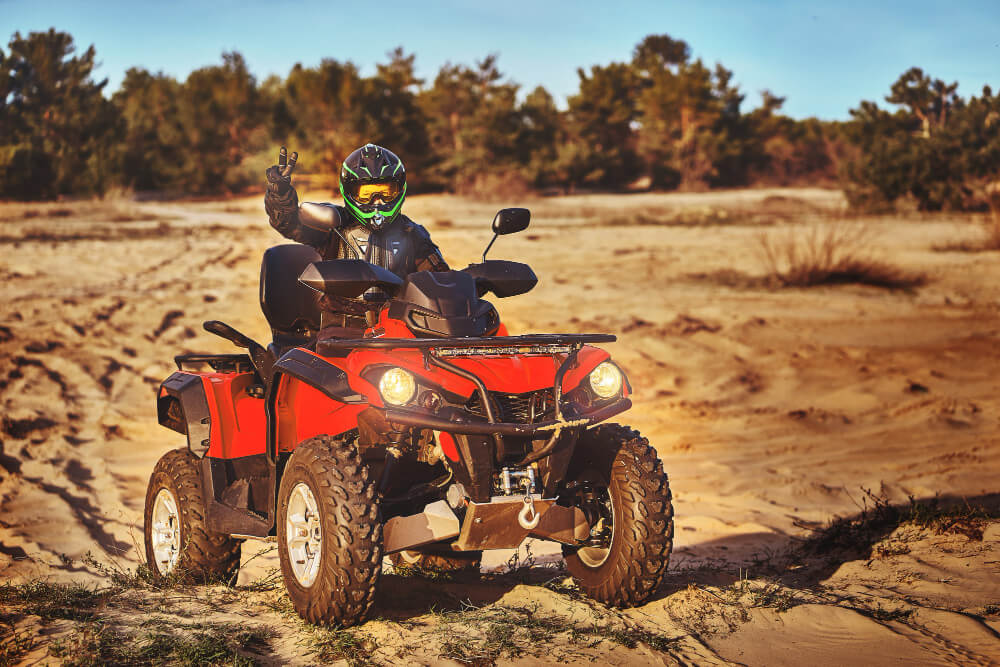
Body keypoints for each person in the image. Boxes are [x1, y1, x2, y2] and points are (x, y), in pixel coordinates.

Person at [264, 143, 449, 336]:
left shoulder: (412, 233)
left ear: (400, 189)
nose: (377, 201)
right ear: (350, 191)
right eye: (366, 194)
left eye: (386, 192)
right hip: (342, 329)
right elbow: (289, 224)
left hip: (400, 328)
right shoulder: (334, 226)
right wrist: (280, 194)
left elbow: (441, 281)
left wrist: (470, 285)